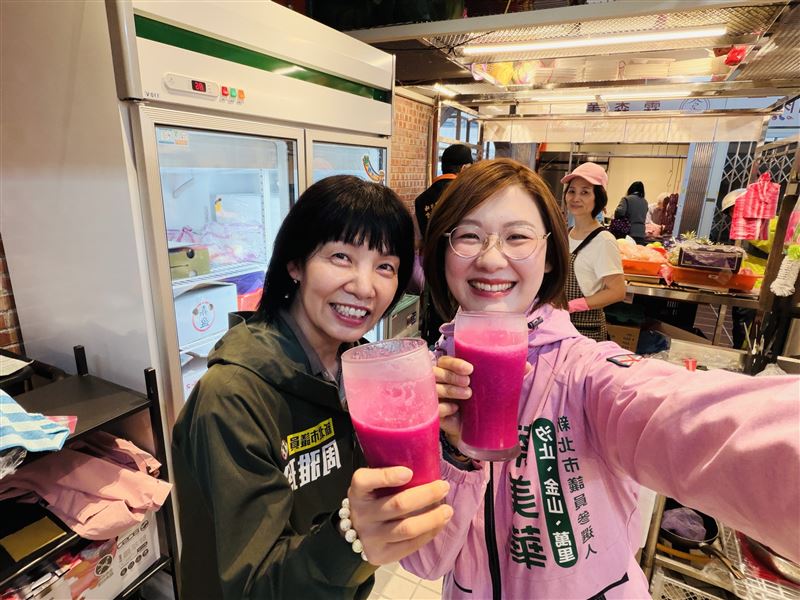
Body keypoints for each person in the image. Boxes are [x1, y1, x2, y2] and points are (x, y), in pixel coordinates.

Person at [401, 158, 799, 599]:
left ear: (549, 257)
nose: (491, 258)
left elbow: (709, 425)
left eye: (517, 237)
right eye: (468, 236)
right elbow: (424, 560)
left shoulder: (589, 376)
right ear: (443, 252)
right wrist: (454, 453)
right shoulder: (431, 382)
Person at [171, 175, 454, 600]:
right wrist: (350, 539)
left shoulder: (355, 367)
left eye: (385, 266)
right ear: (295, 264)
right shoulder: (231, 397)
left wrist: (443, 435)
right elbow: (252, 585)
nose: (364, 287)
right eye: (341, 256)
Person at [415, 144, 474, 346]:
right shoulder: (467, 196)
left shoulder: (422, 200)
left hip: (433, 270)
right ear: (465, 168)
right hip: (465, 267)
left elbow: (420, 238)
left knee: (436, 316)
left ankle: (436, 350)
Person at [562, 162, 626, 341]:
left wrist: (572, 306)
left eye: (585, 192)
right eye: (572, 191)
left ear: (598, 198)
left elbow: (617, 291)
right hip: (560, 326)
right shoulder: (566, 234)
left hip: (586, 332)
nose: (575, 198)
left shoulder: (603, 240)